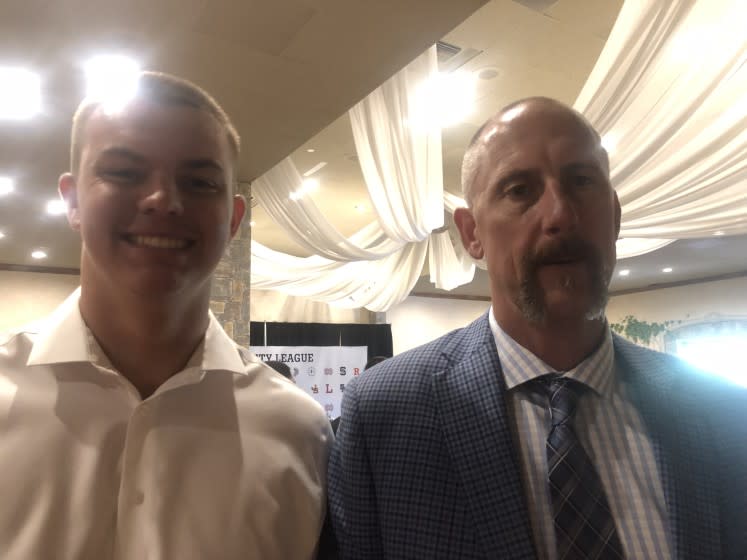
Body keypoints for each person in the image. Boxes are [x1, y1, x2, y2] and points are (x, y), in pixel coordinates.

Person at [328, 97, 747, 559]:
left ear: (615, 214)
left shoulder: (722, 413)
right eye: (519, 190)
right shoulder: (384, 416)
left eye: (581, 182)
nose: (560, 215)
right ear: (471, 234)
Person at [0, 72, 333, 559]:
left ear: (234, 219)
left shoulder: (299, 429)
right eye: (124, 173)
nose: (163, 200)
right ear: (72, 200)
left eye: (199, 182)